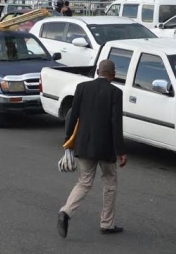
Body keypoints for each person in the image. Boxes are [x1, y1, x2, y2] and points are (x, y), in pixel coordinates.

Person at [58, 59, 127, 238]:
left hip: (84, 144)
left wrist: (68, 142)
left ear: (97, 71)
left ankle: (66, 211)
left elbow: (73, 116)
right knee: (110, 183)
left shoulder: (82, 88)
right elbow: (116, 123)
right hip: (106, 147)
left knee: (84, 182)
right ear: (113, 75)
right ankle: (107, 223)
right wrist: (121, 151)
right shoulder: (115, 92)